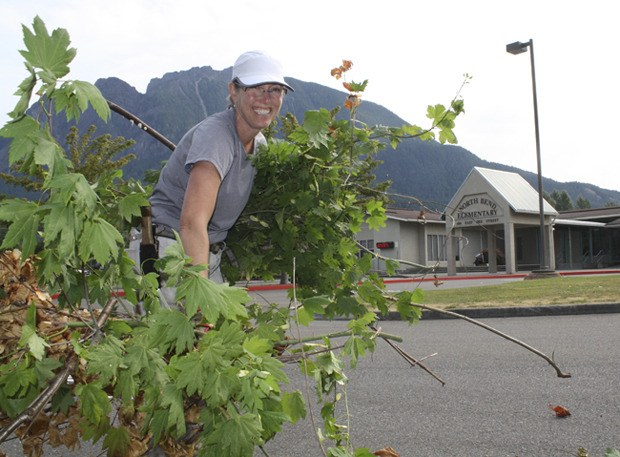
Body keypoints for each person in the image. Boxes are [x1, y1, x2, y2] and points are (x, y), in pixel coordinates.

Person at [147, 50, 293, 286]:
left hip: (204, 254)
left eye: (274, 90)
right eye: (255, 88)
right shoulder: (216, 137)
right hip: (170, 252)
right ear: (234, 91)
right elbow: (192, 222)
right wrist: (201, 292)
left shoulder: (260, 147)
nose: (266, 98)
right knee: (191, 321)